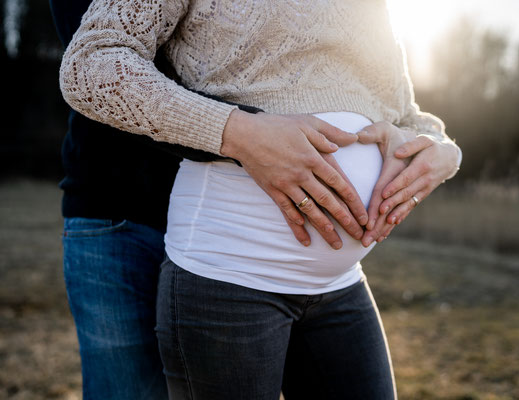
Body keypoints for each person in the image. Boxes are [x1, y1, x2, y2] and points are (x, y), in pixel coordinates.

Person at [59, 1, 462, 399]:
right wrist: (240, 132)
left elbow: (407, 115)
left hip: (339, 283)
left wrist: (443, 152)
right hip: (228, 271)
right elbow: (91, 64)